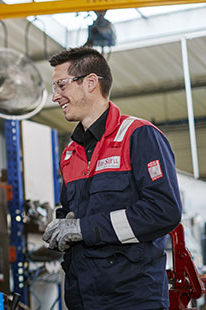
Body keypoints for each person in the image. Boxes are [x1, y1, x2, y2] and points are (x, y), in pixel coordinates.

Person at [42, 47, 182, 309]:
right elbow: (72, 214)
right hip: (81, 296)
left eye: (61, 85)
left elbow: (164, 211)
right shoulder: (70, 153)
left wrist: (83, 229)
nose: (54, 97)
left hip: (132, 297)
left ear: (91, 83)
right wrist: (61, 226)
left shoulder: (139, 136)